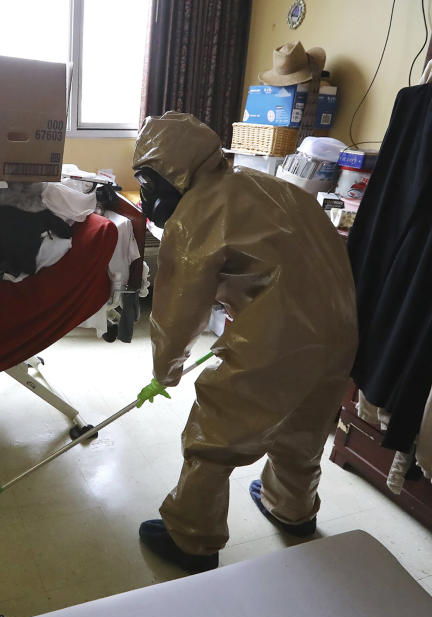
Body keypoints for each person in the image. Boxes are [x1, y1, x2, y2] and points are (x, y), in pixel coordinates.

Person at [131, 112, 357, 573]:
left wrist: (165, 370)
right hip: (341, 330)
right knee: (304, 428)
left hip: (278, 338)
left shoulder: (196, 214)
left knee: (215, 436)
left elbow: (178, 310)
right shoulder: (267, 184)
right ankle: (292, 510)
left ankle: (191, 538)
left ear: (168, 172)